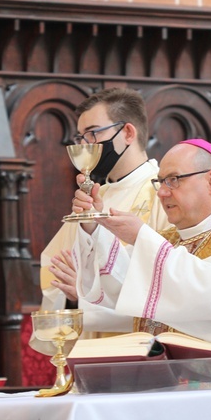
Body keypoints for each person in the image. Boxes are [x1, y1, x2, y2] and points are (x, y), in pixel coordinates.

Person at [70, 139, 211, 384]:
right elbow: (121, 287)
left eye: (173, 179)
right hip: (161, 389)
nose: (161, 192)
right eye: (159, 181)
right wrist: (93, 224)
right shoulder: (168, 242)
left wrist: (142, 237)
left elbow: (206, 298)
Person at [39, 87, 169, 333]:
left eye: (92, 134)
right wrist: (77, 293)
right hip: (94, 342)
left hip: (143, 345)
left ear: (128, 132)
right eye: (80, 138)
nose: (85, 145)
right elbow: (54, 268)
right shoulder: (95, 197)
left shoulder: (163, 194)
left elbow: (170, 275)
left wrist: (89, 287)